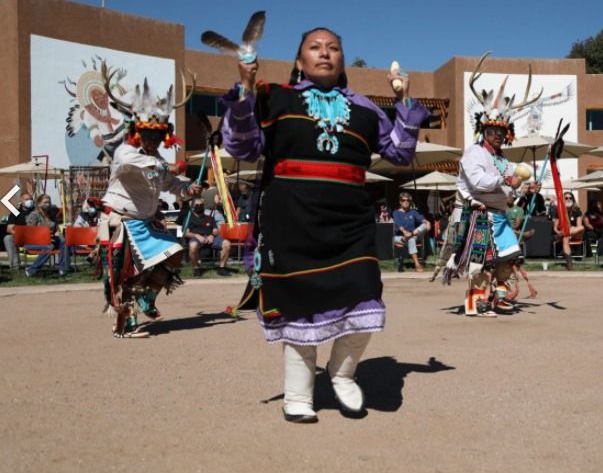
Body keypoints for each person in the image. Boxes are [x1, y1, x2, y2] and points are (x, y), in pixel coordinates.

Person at [220, 27, 428, 423]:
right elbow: (241, 146)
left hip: (350, 223)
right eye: (315, 48)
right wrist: (245, 90)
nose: (325, 53)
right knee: (297, 305)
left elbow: (400, 152)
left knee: (366, 292)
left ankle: (342, 372)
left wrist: (403, 101)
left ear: (342, 60)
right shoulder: (275, 98)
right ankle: (298, 395)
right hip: (290, 221)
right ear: (299, 61)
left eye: (334, 48)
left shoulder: (366, 109)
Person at [98, 67, 200, 337]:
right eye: (148, 135)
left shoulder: (157, 162)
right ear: (137, 133)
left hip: (144, 222)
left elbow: (169, 184)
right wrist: (173, 168)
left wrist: (189, 189)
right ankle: (124, 325)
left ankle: (147, 299)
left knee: (175, 253)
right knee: (125, 274)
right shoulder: (125, 153)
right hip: (121, 221)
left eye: (157, 136)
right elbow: (152, 168)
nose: (152, 140)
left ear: (163, 135)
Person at [443, 54, 540, 317]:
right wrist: (505, 180)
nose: (496, 135)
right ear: (483, 130)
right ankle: (478, 302)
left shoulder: (502, 159)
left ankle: (497, 296)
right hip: (479, 214)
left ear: (506, 134)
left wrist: (523, 188)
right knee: (481, 263)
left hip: (500, 216)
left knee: (510, 258)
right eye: (492, 131)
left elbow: (510, 188)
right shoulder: (474, 153)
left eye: (500, 132)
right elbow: (478, 182)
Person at [184, 197, 232, 277]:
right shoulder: (189, 218)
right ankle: (196, 269)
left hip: (211, 238)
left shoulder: (209, 217)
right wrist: (197, 235)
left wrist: (212, 236)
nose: (199, 206)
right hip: (197, 238)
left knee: (227, 244)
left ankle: (221, 268)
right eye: (197, 205)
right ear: (192, 207)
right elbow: (186, 232)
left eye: (201, 204)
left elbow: (215, 230)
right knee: (192, 246)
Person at [24, 194, 70, 277]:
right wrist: (45, 235)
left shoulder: (51, 215)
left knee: (63, 241)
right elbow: (30, 232)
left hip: (50, 240)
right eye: (45, 202)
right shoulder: (34, 215)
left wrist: (56, 233)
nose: (47, 204)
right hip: (33, 241)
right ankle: (31, 270)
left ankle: (63, 269)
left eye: (49, 202)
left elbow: (55, 228)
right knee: (49, 247)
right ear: (38, 204)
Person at [392, 192, 430, 272]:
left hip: (412, 235)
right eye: (403, 200)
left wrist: (427, 222)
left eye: (407, 200)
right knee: (411, 239)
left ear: (410, 202)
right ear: (400, 202)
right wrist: (405, 233)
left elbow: (422, 220)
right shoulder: (396, 213)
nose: (405, 202)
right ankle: (417, 264)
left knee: (424, 225)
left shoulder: (413, 212)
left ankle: (410, 236)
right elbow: (399, 226)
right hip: (400, 237)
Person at [552, 191, 585, 270]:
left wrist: (569, 231)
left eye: (570, 198)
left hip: (575, 234)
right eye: (566, 198)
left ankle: (566, 233)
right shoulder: (559, 211)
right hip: (564, 234)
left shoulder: (577, 211)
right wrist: (558, 232)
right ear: (563, 200)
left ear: (573, 200)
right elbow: (555, 228)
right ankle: (569, 263)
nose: (568, 199)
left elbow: (579, 226)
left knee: (582, 227)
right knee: (565, 238)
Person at [3, 192, 34, 268]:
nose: (29, 201)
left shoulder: (36, 211)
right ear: (21, 200)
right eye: (27, 199)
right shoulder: (16, 212)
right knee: (8, 238)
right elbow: (9, 229)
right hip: (20, 237)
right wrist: (18, 235)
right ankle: (15, 265)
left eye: (31, 199)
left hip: (36, 238)